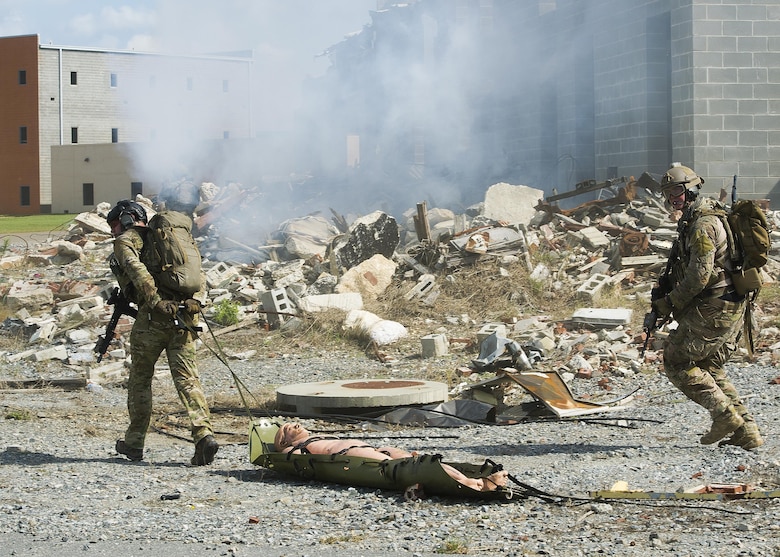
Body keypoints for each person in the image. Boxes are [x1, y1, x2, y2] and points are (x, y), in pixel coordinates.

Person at [652, 163, 763, 450]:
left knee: (676, 361)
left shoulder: (702, 225)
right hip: (728, 305)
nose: (672, 197)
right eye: (667, 193)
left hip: (715, 307)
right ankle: (747, 430)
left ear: (690, 189)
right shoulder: (702, 216)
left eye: (677, 190)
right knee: (708, 366)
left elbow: (699, 276)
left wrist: (669, 303)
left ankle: (725, 416)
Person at [106, 199, 219, 465]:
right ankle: (203, 436)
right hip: (185, 318)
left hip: (152, 320)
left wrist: (156, 302)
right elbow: (197, 273)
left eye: (114, 225)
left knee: (140, 380)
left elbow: (137, 271)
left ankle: (134, 443)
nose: (113, 232)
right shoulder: (173, 238)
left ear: (125, 219)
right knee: (188, 379)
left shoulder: (126, 242)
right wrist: (198, 300)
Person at [274, 422, 509, 492]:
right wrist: (283, 447)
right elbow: (281, 458)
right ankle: (474, 484)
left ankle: (474, 478)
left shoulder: (311, 438)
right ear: (284, 441)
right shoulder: (293, 451)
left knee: (416, 459)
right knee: (415, 466)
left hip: (371, 449)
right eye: (286, 428)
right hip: (354, 456)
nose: (293, 424)